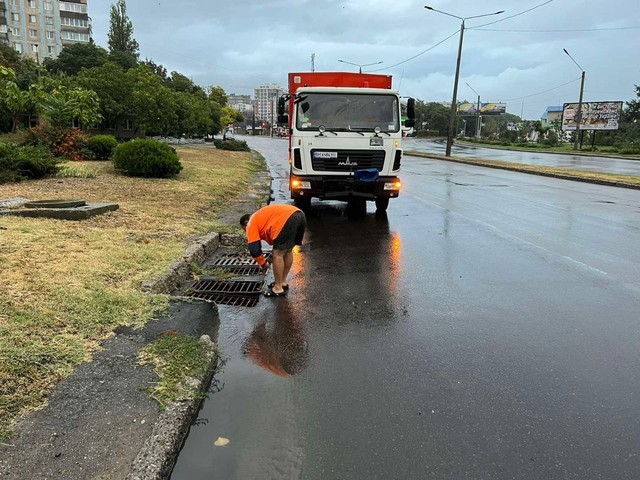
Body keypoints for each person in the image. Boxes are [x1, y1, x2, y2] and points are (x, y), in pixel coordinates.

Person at [240, 204, 306, 297]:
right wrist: (270, 258)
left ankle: (278, 288)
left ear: (245, 224)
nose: (246, 232)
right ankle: (282, 282)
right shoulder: (260, 216)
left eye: (244, 229)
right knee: (287, 251)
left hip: (287, 219)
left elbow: (254, 250)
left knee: (278, 254)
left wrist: (263, 264)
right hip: (299, 215)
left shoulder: (250, 223)